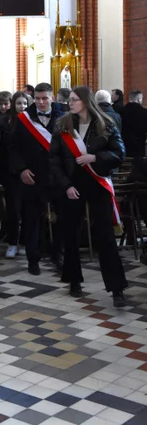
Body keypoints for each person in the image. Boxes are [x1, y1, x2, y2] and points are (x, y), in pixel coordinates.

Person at [50, 86, 128, 307]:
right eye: (70, 100)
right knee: (71, 233)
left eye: (74, 100)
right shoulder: (63, 125)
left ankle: (117, 288)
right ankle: (74, 280)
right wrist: (66, 186)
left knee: (105, 235)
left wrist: (94, 157)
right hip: (72, 184)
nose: (70, 103)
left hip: (97, 181)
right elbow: (54, 160)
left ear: (85, 101)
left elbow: (119, 154)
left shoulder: (106, 124)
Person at [10, 82, 63, 275]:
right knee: (31, 220)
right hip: (31, 177)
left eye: (45, 98)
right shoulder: (23, 119)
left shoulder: (64, 117)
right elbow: (12, 148)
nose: (41, 102)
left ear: (52, 98)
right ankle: (33, 259)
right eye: (38, 98)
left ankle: (58, 255)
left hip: (57, 178)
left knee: (61, 219)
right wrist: (21, 169)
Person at [1, 91, 29, 258]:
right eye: (19, 103)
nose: (22, 106)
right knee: (13, 210)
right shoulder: (6, 122)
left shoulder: (33, 121)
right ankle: (12, 242)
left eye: (25, 103)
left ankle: (25, 242)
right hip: (11, 172)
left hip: (30, 172)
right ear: (13, 104)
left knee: (27, 210)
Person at [121, 90, 147, 157]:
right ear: (139, 99)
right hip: (139, 146)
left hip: (123, 145)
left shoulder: (121, 111)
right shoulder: (145, 112)